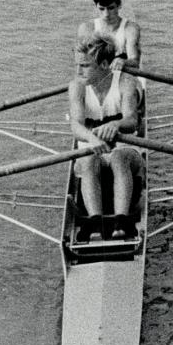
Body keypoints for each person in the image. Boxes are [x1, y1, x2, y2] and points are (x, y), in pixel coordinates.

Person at [69, 35, 142, 241]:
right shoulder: (77, 87)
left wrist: (116, 125)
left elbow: (132, 121)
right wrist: (92, 139)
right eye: (77, 65)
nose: (78, 71)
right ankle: (95, 223)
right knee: (89, 160)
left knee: (118, 158)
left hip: (126, 148)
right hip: (90, 151)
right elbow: (75, 125)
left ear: (103, 64)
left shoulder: (126, 82)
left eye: (84, 66)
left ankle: (121, 222)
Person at [77, 0, 141, 71]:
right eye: (101, 9)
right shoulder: (86, 28)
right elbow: (80, 61)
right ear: (96, 6)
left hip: (123, 78)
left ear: (119, 5)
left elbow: (134, 61)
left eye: (111, 8)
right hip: (95, 78)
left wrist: (124, 62)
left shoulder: (130, 29)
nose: (106, 14)